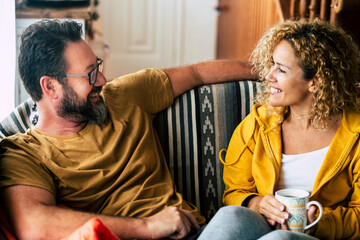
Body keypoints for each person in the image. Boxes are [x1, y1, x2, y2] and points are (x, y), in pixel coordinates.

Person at [0, 19, 256, 239]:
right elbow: (33, 225)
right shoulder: (24, 153)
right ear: (50, 87)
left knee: (245, 221)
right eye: (90, 74)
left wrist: (272, 72)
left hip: (195, 233)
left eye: (97, 67)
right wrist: (148, 226)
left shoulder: (125, 94)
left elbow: (196, 73)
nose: (101, 80)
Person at [197, 19, 360, 239]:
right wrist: (257, 203)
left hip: (321, 236)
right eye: (272, 64)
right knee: (231, 215)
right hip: (262, 228)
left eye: (281, 69)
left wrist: (320, 224)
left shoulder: (355, 134)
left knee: (281, 238)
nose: (268, 76)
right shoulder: (258, 124)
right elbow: (234, 192)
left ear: (315, 82)